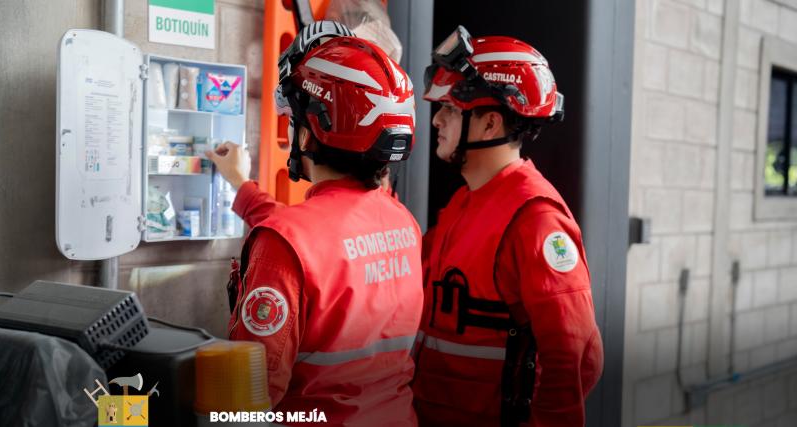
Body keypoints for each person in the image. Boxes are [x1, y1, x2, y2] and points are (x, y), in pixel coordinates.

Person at [208, 21, 423, 425]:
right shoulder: (403, 224)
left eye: (294, 121)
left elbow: (246, 399)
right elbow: (321, 243)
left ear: (308, 136)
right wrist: (241, 184)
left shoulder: (287, 240)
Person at [411, 26, 604, 427]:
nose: (437, 121)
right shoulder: (466, 200)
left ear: (489, 124)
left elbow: (576, 360)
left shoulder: (536, 220)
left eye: (449, 109)